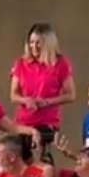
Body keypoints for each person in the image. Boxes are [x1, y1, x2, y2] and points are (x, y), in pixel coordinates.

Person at [9, 23, 76, 152]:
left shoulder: (61, 63)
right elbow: (13, 95)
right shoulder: (20, 63)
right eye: (31, 42)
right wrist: (26, 100)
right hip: (23, 121)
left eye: (38, 43)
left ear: (48, 43)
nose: (33, 46)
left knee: (39, 158)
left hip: (47, 122)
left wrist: (47, 102)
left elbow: (71, 95)